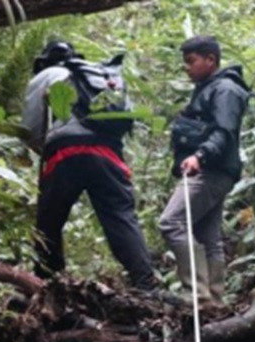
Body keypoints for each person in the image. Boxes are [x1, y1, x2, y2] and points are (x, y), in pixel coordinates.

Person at [22, 41, 159, 291]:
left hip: (64, 152)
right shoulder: (99, 75)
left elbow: (30, 128)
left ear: (44, 62)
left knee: (49, 222)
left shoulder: (46, 76)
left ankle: (48, 284)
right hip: (107, 151)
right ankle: (146, 283)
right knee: (120, 216)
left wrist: (43, 147)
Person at [160, 35, 251, 304]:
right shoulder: (211, 87)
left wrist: (199, 155)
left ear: (210, 60)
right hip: (217, 170)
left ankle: (196, 293)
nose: (187, 67)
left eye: (191, 61)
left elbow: (225, 131)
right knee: (207, 235)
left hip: (210, 169)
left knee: (171, 222)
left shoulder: (224, 89)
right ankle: (214, 297)